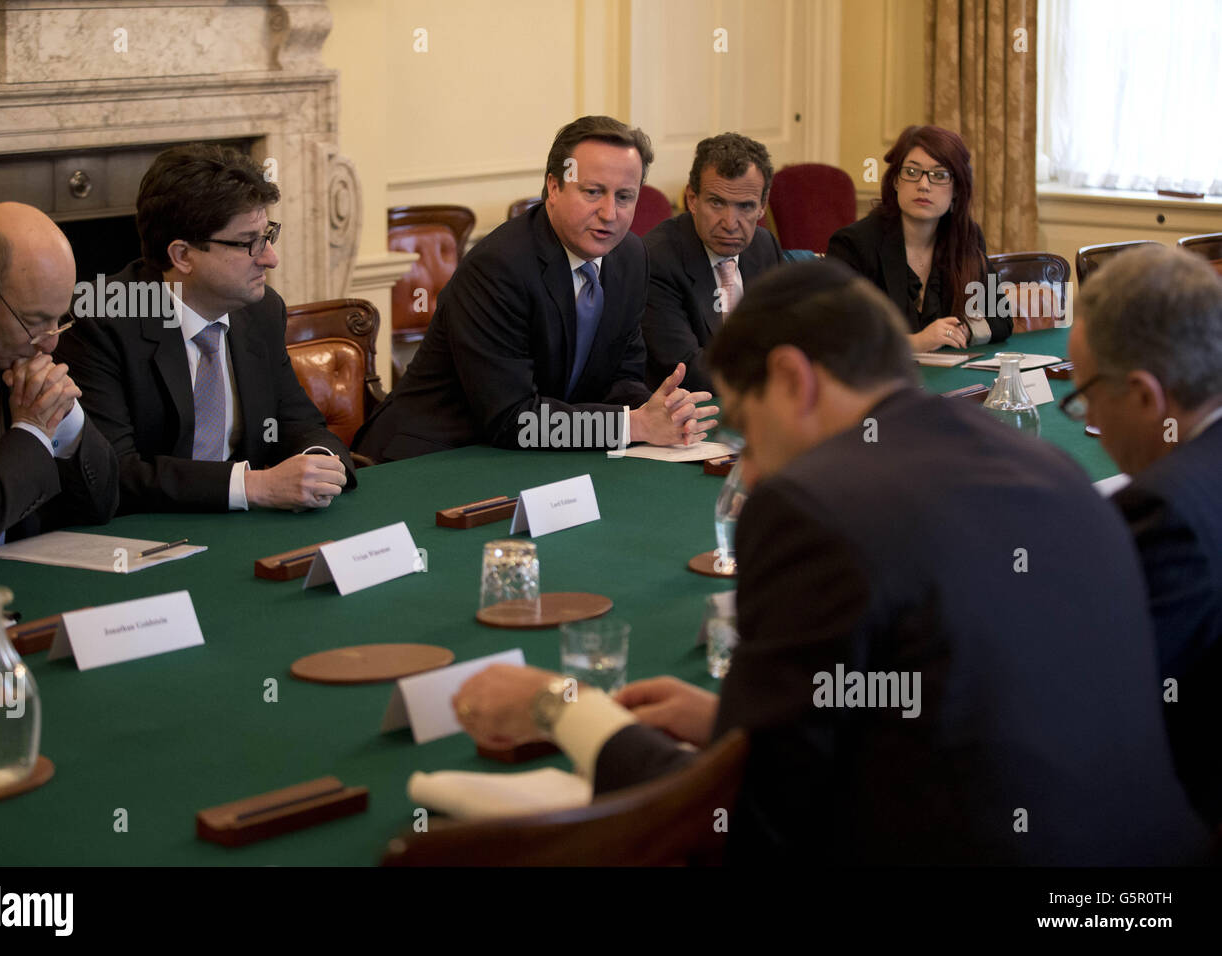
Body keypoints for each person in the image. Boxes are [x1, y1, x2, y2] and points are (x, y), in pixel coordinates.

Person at [452, 259, 1208, 865]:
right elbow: (952, 695)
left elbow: (747, 825)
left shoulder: (813, 506)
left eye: (748, 430)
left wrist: (563, 709)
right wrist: (731, 724)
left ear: (791, 378)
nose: (752, 470)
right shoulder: (1043, 464)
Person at [353, 115, 716, 461]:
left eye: (625, 197)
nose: (610, 213)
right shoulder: (498, 267)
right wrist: (631, 424)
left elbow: (621, 377)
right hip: (437, 454)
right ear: (554, 188)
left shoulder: (631, 257)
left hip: (537, 453)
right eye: (593, 192)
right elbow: (513, 420)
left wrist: (655, 411)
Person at [56, 144, 355, 514]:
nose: (270, 258)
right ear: (182, 256)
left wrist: (317, 462)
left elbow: (297, 422)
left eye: (268, 235)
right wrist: (252, 486)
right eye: (249, 243)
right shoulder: (100, 322)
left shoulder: (261, 311)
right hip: (142, 540)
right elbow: (116, 473)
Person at [1065, 243, 1222, 826]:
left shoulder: (1165, 510)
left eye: (1088, 401)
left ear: (1143, 396)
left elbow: (1100, 707)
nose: (1092, 428)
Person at [0, 202, 119, 555]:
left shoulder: (19, 347)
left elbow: (102, 506)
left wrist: (63, 420)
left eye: (59, 319)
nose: (52, 342)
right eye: (35, 321)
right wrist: (32, 433)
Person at [826, 124, 1011, 352]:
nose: (924, 185)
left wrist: (964, 330)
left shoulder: (966, 238)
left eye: (939, 175)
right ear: (896, 181)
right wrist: (917, 342)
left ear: (956, 190)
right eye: (912, 173)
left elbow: (1001, 318)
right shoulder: (854, 244)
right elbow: (840, 333)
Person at [641, 133, 783, 392]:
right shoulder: (657, 259)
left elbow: (783, 337)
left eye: (746, 206)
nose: (730, 224)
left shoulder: (765, 247)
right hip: (689, 409)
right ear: (692, 199)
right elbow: (686, 368)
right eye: (717, 203)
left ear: (763, 205)